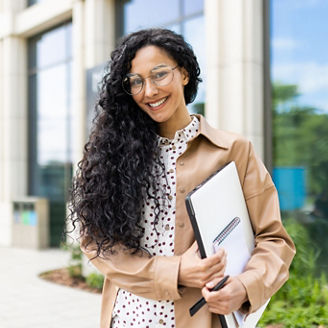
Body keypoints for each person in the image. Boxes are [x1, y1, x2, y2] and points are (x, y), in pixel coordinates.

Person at [69, 28, 295, 328]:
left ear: (185, 74)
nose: (148, 91)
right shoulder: (114, 156)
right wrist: (175, 272)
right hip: (126, 318)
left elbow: (274, 240)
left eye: (159, 74)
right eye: (136, 81)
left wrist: (244, 287)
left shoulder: (233, 151)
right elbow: (97, 242)